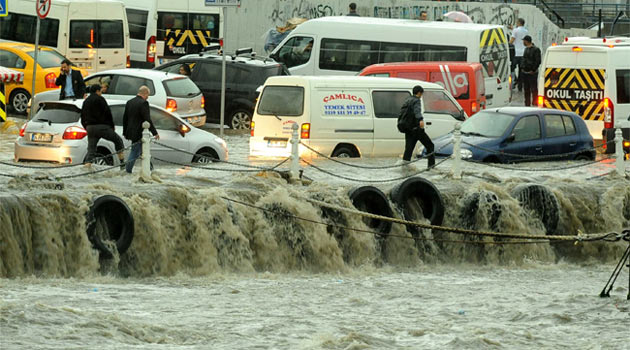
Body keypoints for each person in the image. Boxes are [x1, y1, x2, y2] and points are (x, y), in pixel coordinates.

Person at [80, 84, 125, 167]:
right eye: (101, 91)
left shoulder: (86, 101)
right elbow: (108, 113)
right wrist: (112, 126)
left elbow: (82, 116)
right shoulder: (100, 99)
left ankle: (87, 166)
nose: (101, 93)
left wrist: (86, 127)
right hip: (102, 127)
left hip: (90, 128)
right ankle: (122, 163)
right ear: (97, 91)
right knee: (118, 140)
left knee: (91, 150)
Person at [122, 86, 159, 174]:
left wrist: (125, 131)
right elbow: (147, 119)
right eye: (148, 95)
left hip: (130, 131)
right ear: (145, 93)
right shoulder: (144, 103)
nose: (148, 97)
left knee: (143, 151)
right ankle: (128, 171)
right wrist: (155, 133)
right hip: (139, 132)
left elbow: (125, 118)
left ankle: (150, 170)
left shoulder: (129, 102)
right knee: (135, 152)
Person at [401, 85, 435, 169]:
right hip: (416, 129)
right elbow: (417, 111)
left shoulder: (407, 100)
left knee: (408, 150)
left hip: (408, 129)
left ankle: (404, 167)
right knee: (430, 146)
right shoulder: (416, 100)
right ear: (419, 93)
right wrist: (420, 120)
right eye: (421, 94)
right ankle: (431, 167)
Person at [521, 35, 541, 107]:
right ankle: (527, 104)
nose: (523, 42)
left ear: (527, 41)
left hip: (532, 73)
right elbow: (524, 59)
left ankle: (535, 103)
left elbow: (538, 61)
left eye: (524, 41)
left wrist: (533, 70)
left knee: (534, 89)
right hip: (525, 72)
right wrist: (522, 68)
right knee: (526, 89)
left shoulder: (536, 49)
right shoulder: (526, 49)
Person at [509, 18, 528, 92]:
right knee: (521, 70)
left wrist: (508, 44)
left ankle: (513, 81)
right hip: (523, 53)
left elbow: (512, 40)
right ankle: (520, 86)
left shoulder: (515, 30)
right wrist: (513, 29)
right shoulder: (526, 31)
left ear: (519, 23)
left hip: (516, 52)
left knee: (512, 68)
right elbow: (520, 35)